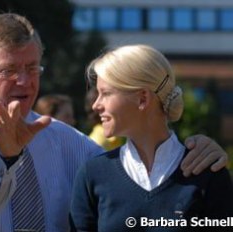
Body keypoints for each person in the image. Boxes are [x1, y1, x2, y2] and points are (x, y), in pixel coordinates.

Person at [0, 13, 228, 232]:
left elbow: (134, 173)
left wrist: (200, 149)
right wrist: (4, 158)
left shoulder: (69, 143)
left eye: (31, 67)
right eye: (9, 70)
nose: (24, 81)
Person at [70, 45, 233, 232]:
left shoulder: (209, 174)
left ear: (142, 99)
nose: (95, 105)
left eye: (105, 93)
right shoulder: (92, 175)